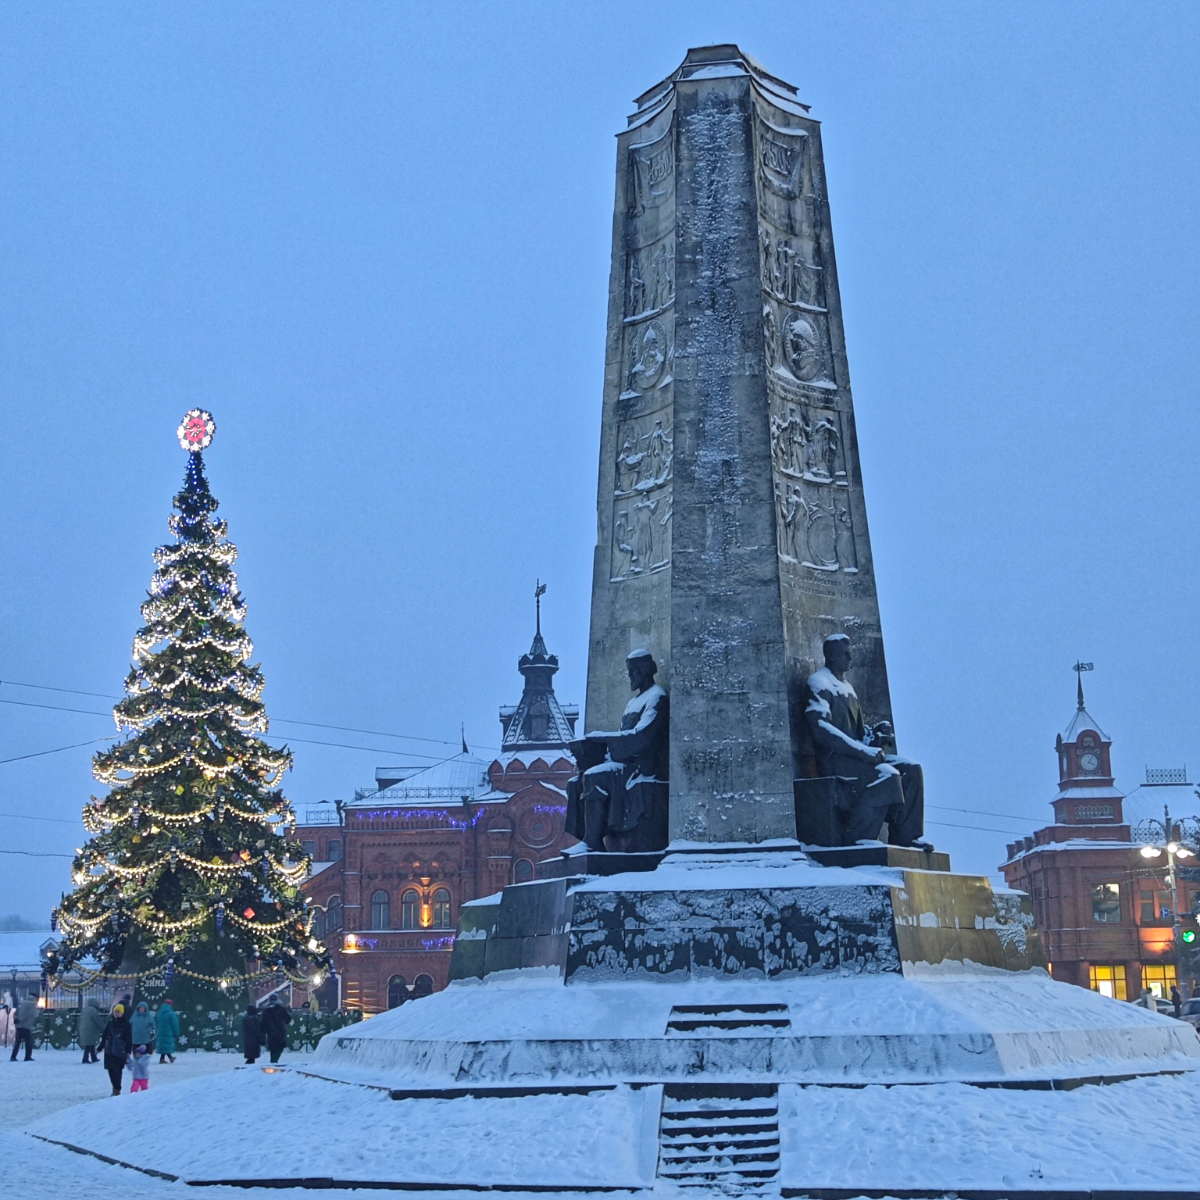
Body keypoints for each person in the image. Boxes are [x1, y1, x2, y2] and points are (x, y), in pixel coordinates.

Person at [802, 634, 926, 847]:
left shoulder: (847, 688)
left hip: (857, 757)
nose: (851, 658)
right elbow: (820, 728)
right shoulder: (819, 683)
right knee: (887, 775)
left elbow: (859, 735)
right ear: (831, 656)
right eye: (845, 654)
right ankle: (859, 838)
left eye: (851, 653)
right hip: (836, 761)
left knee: (912, 769)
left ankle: (905, 837)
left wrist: (875, 735)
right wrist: (861, 751)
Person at [574, 649, 669, 853]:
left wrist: (604, 737)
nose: (630, 676)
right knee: (576, 782)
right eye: (629, 672)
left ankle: (592, 843)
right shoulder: (633, 702)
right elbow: (623, 736)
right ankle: (585, 837)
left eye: (633, 671)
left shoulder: (657, 697)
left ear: (644, 671)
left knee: (593, 777)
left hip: (642, 767)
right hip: (624, 762)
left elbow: (641, 736)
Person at [99, 1002, 133, 1096]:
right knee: (110, 1070)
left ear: (122, 1013)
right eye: (115, 1012)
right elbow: (105, 1036)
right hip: (109, 1051)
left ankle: (117, 1089)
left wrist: (128, 1051)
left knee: (117, 1070)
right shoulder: (110, 1024)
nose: (117, 1013)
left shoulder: (126, 1025)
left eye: (118, 1012)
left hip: (120, 1051)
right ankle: (114, 1086)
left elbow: (129, 1038)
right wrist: (100, 1048)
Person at [260, 995, 291, 1064]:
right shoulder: (280, 1009)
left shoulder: (266, 1011)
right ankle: (275, 1060)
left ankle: (273, 1060)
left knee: (273, 1048)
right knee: (280, 1047)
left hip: (270, 1033)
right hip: (280, 1031)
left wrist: (263, 1034)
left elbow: (263, 1024)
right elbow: (288, 1019)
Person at [9, 992, 39, 1062]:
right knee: (28, 1043)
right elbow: (34, 1015)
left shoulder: (22, 1003)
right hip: (27, 1026)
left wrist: (17, 1019)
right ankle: (27, 1057)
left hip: (19, 1026)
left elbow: (16, 1013)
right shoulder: (33, 1005)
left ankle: (13, 1056)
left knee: (17, 1042)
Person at [78, 998, 106, 1064]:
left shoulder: (84, 1010)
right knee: (89, 1045)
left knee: (90, 1044)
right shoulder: (93, 1011)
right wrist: (104, 1028)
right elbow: (98, 1021)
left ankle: (93, 1057)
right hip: (91, 1030)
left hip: (84, 1030)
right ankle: (85, 1058)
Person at [155, 998, 179, 1063]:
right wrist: (176, 1032)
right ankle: (165, 1059)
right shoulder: (171, 1013)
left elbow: (156, 1021)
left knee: (164, 1046)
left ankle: (168, 1058)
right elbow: (174, 1024)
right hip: (169, 1032)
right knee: (166, 1046)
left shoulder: (159, 1012)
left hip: (161, 1031)